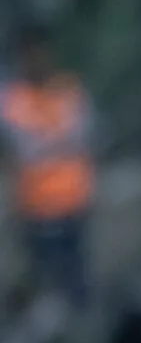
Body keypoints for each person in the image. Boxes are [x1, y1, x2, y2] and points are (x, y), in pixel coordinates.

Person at [0, 24, 95, 307]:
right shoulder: (12, 100)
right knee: (49, 284)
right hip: (39, 206)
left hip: (76, 199)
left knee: (78, 278)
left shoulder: (68, 90)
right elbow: (23, 147)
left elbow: (83, 135)